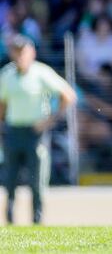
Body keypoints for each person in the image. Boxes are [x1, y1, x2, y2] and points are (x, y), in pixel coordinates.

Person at [0, 35, 77, 225]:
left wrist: (48, 121)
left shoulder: (41, 73)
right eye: (16, 52)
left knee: (37, 181)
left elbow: (68, 95)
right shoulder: (7, 74)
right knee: (10, 179)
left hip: (35, 133)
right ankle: (9, 220)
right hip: (14, 130)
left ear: (31, 53)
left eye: (23, 52)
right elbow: (2, 103)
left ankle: (37, 220)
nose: (19, 57)